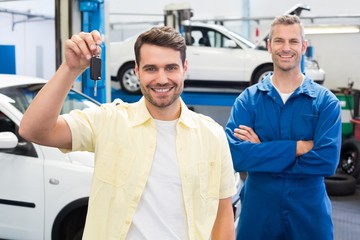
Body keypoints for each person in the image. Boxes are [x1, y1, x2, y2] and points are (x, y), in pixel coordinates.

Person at [19, 26, 236, 239]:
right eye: (151, 68)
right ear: (137, 71)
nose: (161, 79)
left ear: (184, 68)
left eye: (171, 68)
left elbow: (223, 214)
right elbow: (34, 130)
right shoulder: (109, 120)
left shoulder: (212, 135)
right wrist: (70, 69)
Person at [225, 15, 342, 240]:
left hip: (308, 211)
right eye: (279, 41)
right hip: (258, 212)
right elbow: (236, 156)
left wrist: (262, 152)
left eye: (293, 41)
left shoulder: (325, 102)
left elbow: (326, 161)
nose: (285, 48)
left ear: (304, 47)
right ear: (269, 46)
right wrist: (297, 148)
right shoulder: (248, 100)